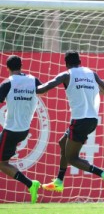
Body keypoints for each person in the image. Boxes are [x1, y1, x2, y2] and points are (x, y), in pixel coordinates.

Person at [37, 50, 104, 196]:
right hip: (92, 119)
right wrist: (90, 90)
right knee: (63, 143)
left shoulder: (67, 74)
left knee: (72, 158)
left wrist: (28, 89)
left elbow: (44, 88)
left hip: (79, 120)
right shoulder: (91, 73)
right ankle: (59, 181)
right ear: (80, 61)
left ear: (66, 63)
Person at [0, 55, 42, 203]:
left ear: (7, 68)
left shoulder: (7, 83)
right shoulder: (33, 80)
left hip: (11, 130)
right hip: (24, 130)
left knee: (1, 163)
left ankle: (31, 184)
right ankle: (31, 184)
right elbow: (42, 90)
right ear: (22, 66)